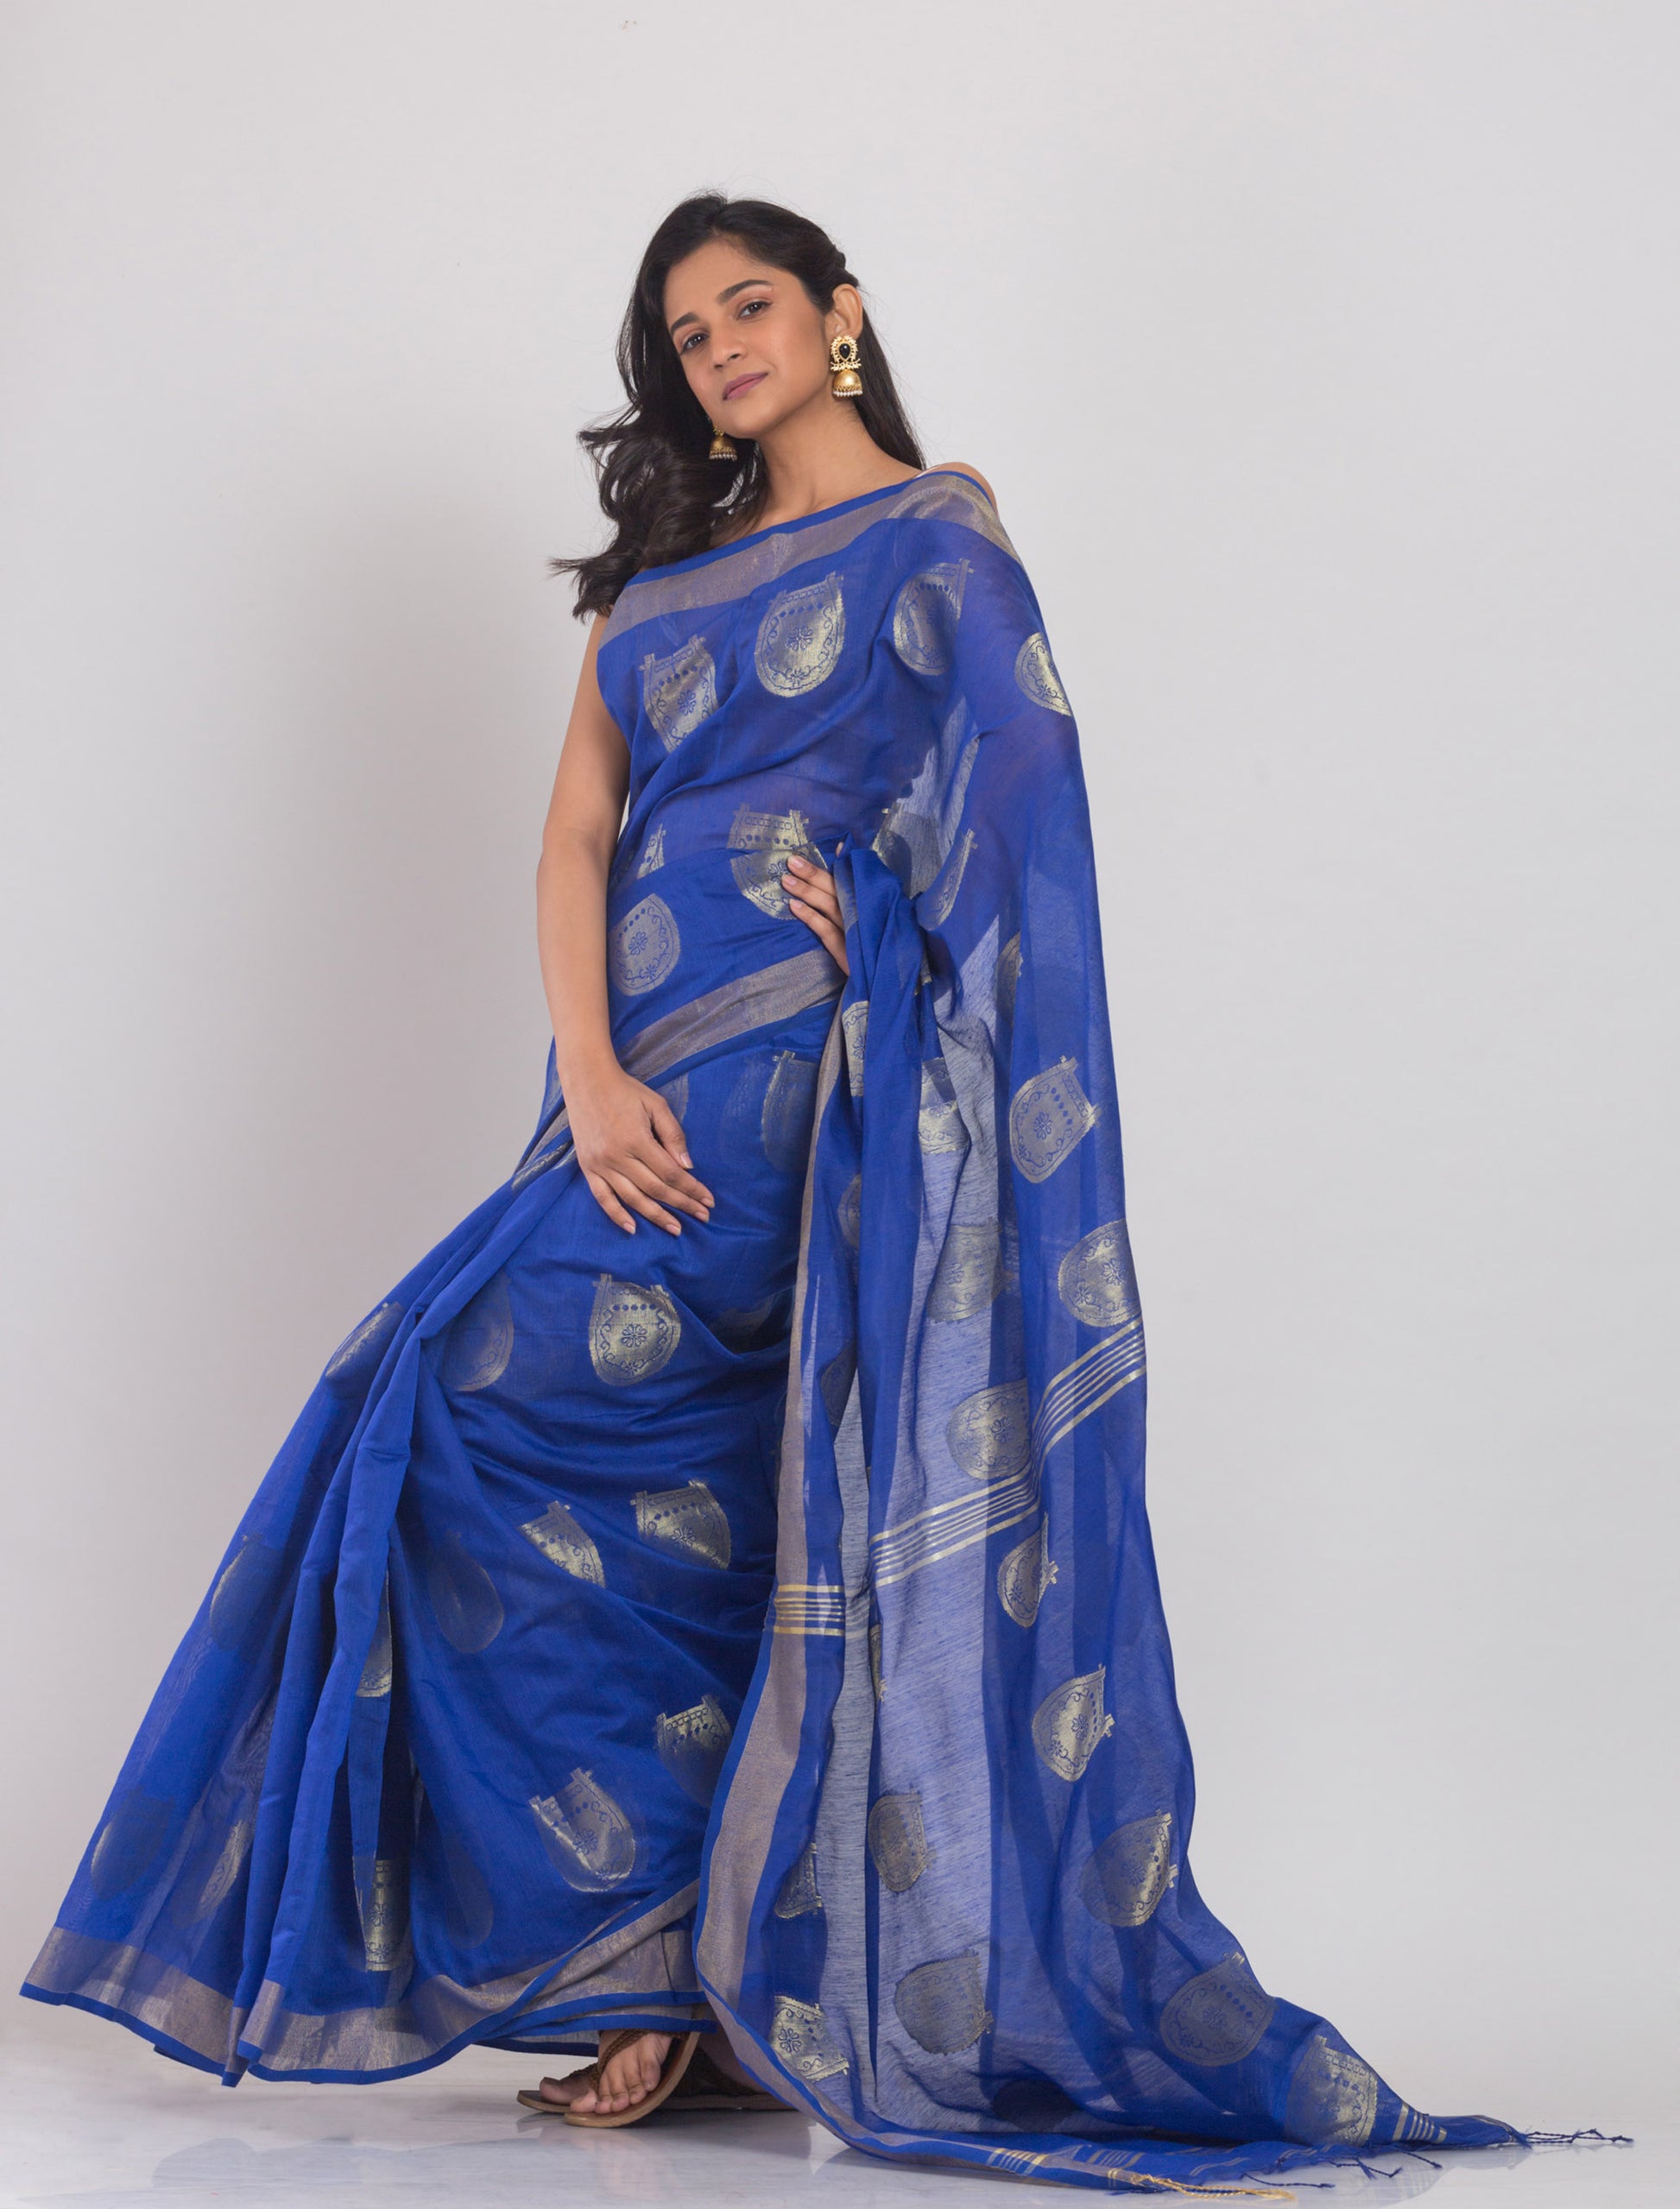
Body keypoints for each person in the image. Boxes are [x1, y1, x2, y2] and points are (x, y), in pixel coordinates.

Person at [22, 194, 1532, 2193]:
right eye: (687, 329)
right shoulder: (657, 583)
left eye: (750, 305)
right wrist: (588, 1071)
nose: (721, 343)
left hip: (795, 1100)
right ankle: (686, 1971)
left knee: (545, 1430)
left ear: (840, 316)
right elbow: (574, 836)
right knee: (559, 1448)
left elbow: (1024, 828)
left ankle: (693, 1978)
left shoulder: (939, 542)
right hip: (617, 1099)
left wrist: (883, 929)